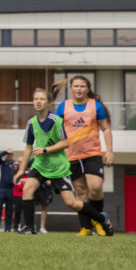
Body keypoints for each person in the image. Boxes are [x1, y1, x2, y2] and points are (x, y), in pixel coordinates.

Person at [14, 86, 113, 236]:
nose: (38, 102)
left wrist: (46, 150)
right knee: (27, 189)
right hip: (40, 165)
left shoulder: (56, 121)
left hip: (58, 167)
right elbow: (28, 147)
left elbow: (65, 143)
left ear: (48, 103)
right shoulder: (31, 123)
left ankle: (101, 218)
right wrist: (21, 170)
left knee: (71, 203)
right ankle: (29, 227)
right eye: (36, 99)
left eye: (42, 99)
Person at [55, 76, 113, 236]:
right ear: (71, 89)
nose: (79, 89)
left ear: (87, 89)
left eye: (82, 86)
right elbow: (56, 131)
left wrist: (109, 151)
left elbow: (106, 128)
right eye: (76, 86)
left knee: (95, 187)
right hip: (71, 156)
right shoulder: (63, 106)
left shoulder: (96, 106)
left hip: (92, 154)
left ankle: (99, 222)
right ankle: (86, 228)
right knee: (80, 192)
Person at [0, 148, 16, 232]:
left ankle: (8, 228)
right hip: (1, 188)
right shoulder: (2, 162)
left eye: (11, 154)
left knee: (9, 210)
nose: (9, 156)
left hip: (11, 189)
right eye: (8, 154)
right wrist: (5, 151)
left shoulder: (15, 164)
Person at [11, 156, 28, 232]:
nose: (21, 164)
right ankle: (15, 227)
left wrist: (22, 180)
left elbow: (30, 180)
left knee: (26, 212)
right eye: (19, 162)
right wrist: (23, 180)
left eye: (22, 162)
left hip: (26, 194)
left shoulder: (28, 170)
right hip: (17, 194)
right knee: (17, 211)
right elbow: (15, 181)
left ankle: (26, 226)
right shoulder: (15, 170)